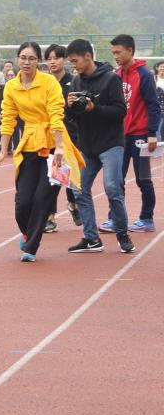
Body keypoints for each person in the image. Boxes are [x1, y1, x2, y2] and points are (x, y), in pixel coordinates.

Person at [0, 43, 84, 262]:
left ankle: (31, 247)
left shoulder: (49, 82)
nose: (26, 62)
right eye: (23, 58)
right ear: (18, 59)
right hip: (30, 145)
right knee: (23, 202)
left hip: (56, 147)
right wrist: (2, 151)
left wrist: (59, 147)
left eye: (31, 58)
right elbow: (8, 119)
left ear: (38, 61)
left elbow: (56, 114)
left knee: (43, 199)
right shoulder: (11, 87)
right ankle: (27, 233)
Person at [64, 39, 132, 254]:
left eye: (75, 61)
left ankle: (122, 234)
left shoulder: (111, 78)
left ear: (87, 56)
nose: (74, 66)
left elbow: (120, 111)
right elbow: (73, 117)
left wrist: (94, 108)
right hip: (87, 145)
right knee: (78, 188)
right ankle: (91, 238)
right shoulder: (76, 82)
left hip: (111, 143)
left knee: (112, 188)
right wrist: (70, 107)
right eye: (71, 62)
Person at [100, 34, 159, 234]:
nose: (115, 56)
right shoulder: (116, 74)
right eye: (113, 53)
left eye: (118, 52)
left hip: (141, 136)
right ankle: (115, 219)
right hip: (120, 136)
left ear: (130, 51)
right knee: (116, 180)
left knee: (143, 179)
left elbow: (153, 105)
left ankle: (147, 219)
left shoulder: (144, 75)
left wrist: (152, 133)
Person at [44, 44, 81, 232]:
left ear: (64, 60)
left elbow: (79, 112)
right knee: (54, 177)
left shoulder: (73, 82)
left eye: (56, 58)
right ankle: (50, 217)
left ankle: (73, 205)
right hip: (50, 136)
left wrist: (71, 106)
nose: (52, 62)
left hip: (71, 134)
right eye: (49, 58)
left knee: (71, 175)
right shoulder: (44, 83)